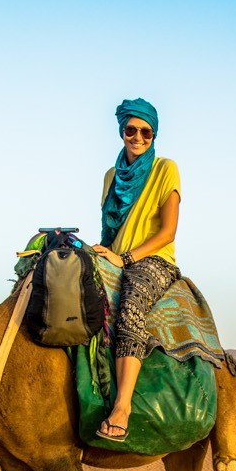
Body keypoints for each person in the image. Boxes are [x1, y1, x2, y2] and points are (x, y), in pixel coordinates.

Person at [91, 97, 181, 442]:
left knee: (131, 304)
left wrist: (127, 259)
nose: (138, 137)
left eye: (146, 131)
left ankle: (122, 407)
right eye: (131, 130)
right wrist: (102, 254)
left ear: (154, 134)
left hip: (154, 260)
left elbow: (167, 232)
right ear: (122, 132)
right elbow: (109, 228)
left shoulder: (165, 169)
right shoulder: (111, 176)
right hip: (115, 255)